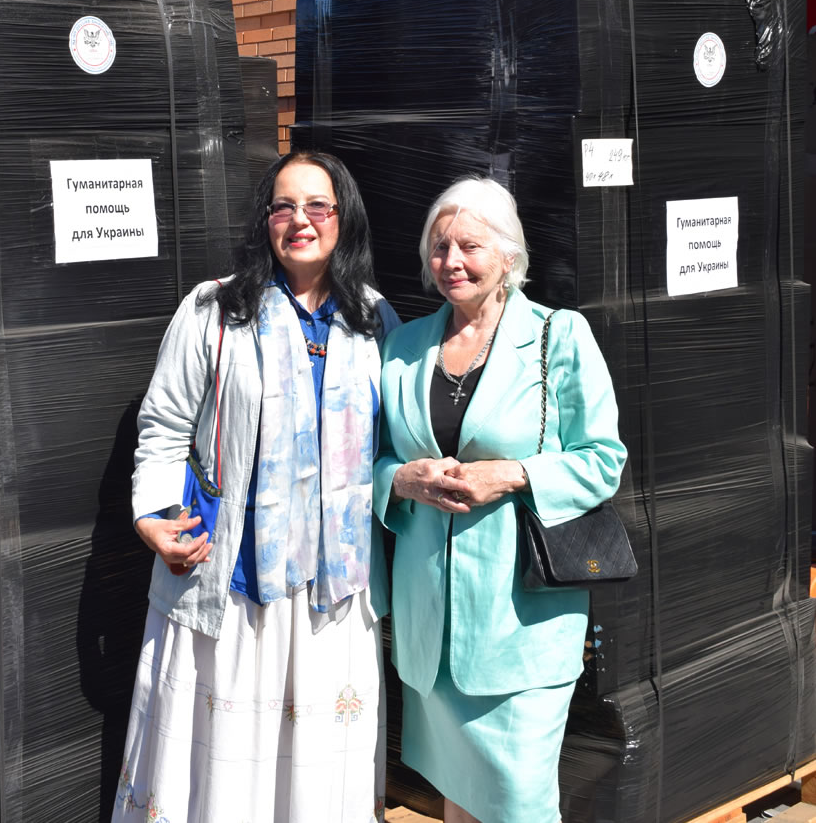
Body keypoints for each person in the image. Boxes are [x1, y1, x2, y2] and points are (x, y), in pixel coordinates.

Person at [115, 150, 399, 823]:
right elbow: (163, 425)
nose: (300, 220)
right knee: (228, 768)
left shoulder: (374, 319)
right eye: (283, 206)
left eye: (318, 206)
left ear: (344, 218)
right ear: (264, 219)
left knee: (316, 769)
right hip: (236, 582)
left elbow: (391, 444)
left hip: (334, 591)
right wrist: (153, 516)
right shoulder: (214, 309)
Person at [374, 177, 627, 823]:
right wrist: (401, 482)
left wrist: (512, 475)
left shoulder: (558, 337)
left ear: (508, 254)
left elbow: (603, 461)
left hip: (521, 628)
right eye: (439, 247)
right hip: (432, 630)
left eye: (469, 246)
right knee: (458, 802)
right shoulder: (403, 348)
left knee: (518, 805)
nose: (451, 261)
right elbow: (374, 460)